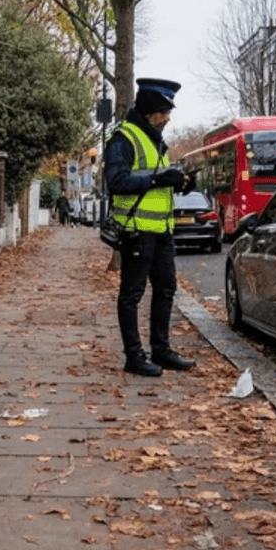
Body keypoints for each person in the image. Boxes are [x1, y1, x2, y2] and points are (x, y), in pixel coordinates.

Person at [104, 78, 196, 376]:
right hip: (136, 231)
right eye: (163, 111)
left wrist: (179, 183)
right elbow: (116, 183)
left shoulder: (156, 139)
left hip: (161, 231)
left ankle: (161, 350)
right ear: (147, 111)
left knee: (166, 289)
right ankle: (134, 356)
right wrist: (158, 180)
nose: (167, 117)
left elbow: (154, 181)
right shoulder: (123, 138)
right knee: (132, 294)